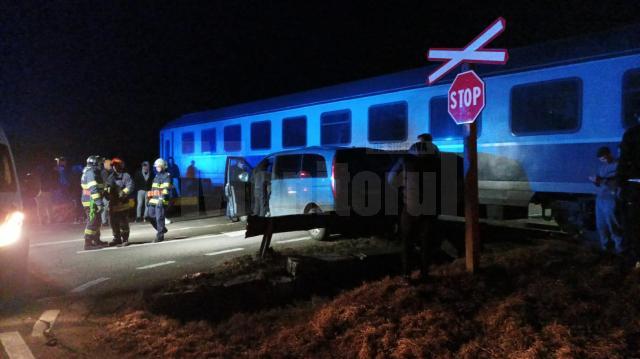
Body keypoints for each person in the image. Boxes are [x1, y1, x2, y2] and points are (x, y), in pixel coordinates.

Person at [387, 138, 441, 281]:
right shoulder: (436, 158)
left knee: (407, 242)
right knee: (426, 242)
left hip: (410, 207)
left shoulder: (405, 159)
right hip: (430, 208)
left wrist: (401, 188)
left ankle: (406, 275)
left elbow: (391, 178)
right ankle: (424, 273)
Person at [588, 146, 623, 253]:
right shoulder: (601, 168)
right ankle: (606, 248)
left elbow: (616, 182)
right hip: (600, 198)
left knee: (613, 226)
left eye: (606, 157)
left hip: (611, 198)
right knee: (601, 225)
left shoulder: (618, 165)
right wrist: (595, 181)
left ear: (610, 154)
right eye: (602, 159)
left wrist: (600, 180)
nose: (605, 160)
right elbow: (600, 183)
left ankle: (620, 250)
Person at [618, 112, 640, 268]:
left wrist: (621, 184)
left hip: (635, 185)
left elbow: (624, 161)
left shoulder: (631, 134)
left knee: (633, 223)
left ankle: (635, 259)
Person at [104, 158, 134, 246]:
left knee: (123, 221)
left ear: (120, 166)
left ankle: (125, 239)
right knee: (113, 222)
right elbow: (107, 187)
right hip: (113, 203)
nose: (114, 167)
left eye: (116, 165)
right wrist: (106, 193)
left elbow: (130, 186)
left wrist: (123, 192)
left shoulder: (126, 176)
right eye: (113, 166)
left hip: (122, 202)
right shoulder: (111, 177)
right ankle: (116, 238)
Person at [81, 155, 107, 250]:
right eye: (99, 163)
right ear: (94, 164)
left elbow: (99, 186)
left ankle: (96, 240)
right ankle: (87, 243)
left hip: (93, 200)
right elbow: (93, 189)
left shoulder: (93, 172)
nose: (101, 165)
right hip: (91, 202)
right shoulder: (90, 173)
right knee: (92, 221)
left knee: (97, 221)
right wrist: (99, 203)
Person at [147, 158, 172, 243]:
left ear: (163, 166)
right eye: (156, 167)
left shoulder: (167, 176)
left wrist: (162, 198)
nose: (157, 168)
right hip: (154, 199)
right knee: (150, 216)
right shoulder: (156, 176)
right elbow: (153, 188)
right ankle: (162, 229)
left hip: (161, 200)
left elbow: (166, 189)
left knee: (159, 218)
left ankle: (160, 236)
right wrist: (149, 198)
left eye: (159, 166)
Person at [34, 160, 58, 225]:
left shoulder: (35, 173)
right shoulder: (46, 172)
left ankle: (42, 221)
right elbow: (49, 181)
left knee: (40, 207)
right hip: (45, 190)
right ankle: (51, 219)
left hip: (37, 192)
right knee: (48, 205)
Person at [101, 158, 112, 226]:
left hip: (106, 191)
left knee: (107, 207)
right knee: (106, 207)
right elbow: (106, 183)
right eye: (110, 165)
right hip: (106, 192)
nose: (111, 166)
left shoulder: (107, 171)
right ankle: (104, 221)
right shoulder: (104, 172)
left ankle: (105, 221)